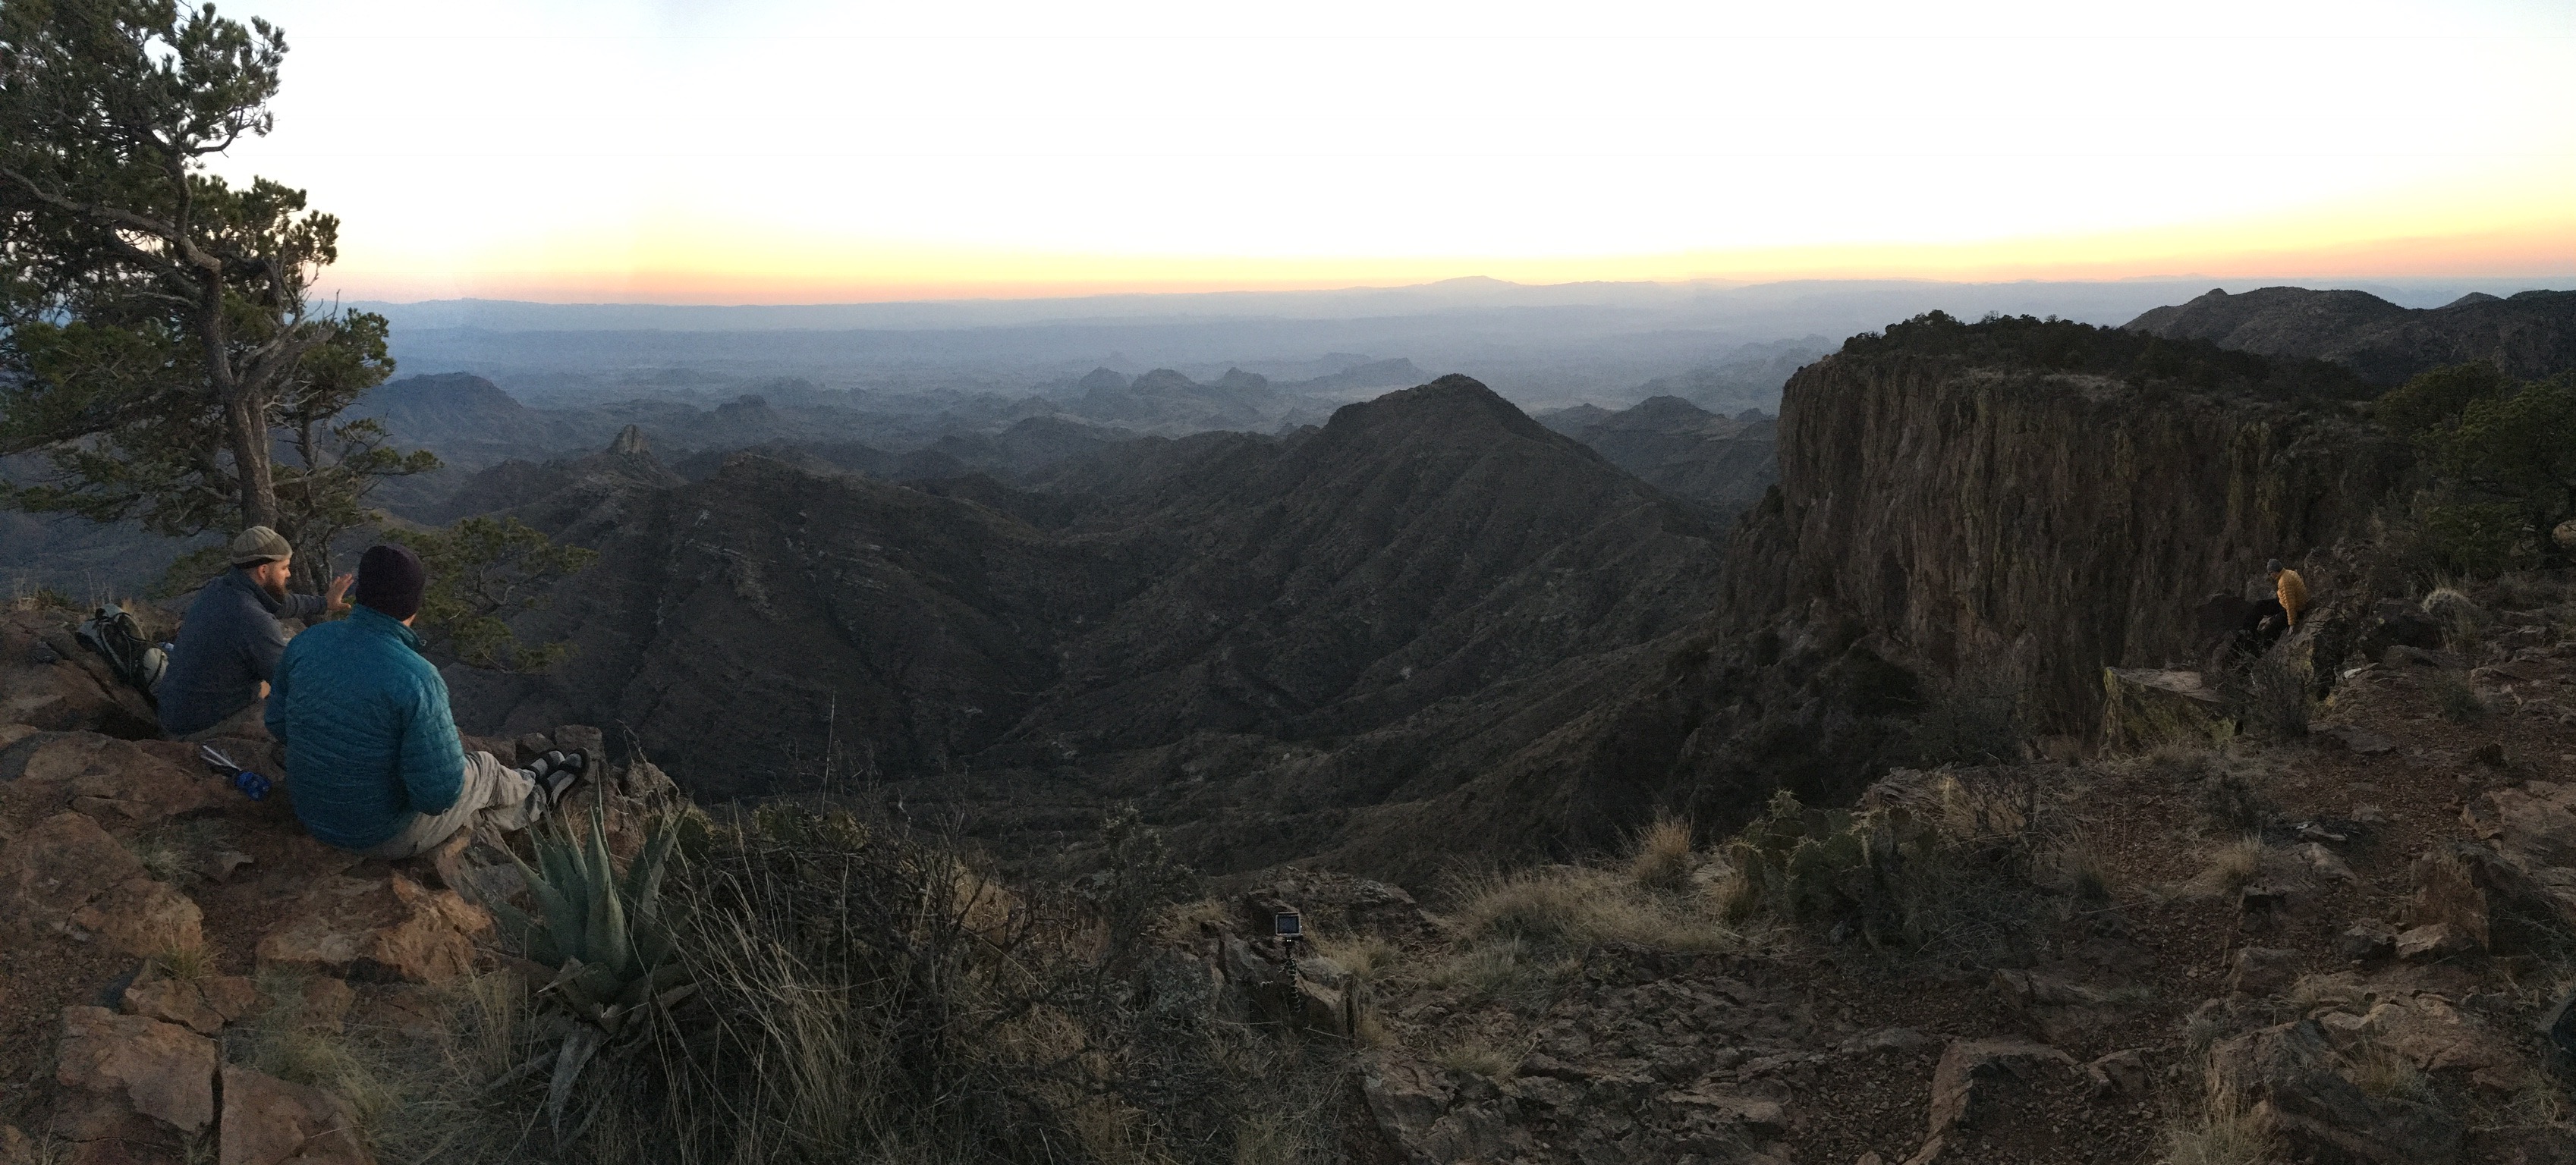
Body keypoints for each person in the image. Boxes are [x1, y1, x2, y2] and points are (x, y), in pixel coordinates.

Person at [266, 542, 588, 859]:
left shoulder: (308, 642)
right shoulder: (418, 678)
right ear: (414, 603)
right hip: (376, 834)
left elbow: (278, 723)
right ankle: (536, 791)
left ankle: (531, 787)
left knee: (470, 802)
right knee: (483, 768)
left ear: (360, 594)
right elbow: (438, 798)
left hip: (311, 812)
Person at [158, 526, 353, 738]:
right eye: (284, 568)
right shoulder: (251, 619)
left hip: (174, 711)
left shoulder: (218, 589)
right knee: (293, 713)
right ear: (263, 571)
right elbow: (291, 684)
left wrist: (324, 603)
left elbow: (280, 604)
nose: (289, 574)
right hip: (200, 726)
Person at [2269, 558, 2310, 629]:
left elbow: (2290, 604)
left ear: (2274, 572)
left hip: (2297, 609)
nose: (2270, 575)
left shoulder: (2284, 582)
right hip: (2292, 603)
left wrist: (2291, 623)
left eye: (2270, 573)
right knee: (2260, 605)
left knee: (2271, 629)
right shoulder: (2289, 572)